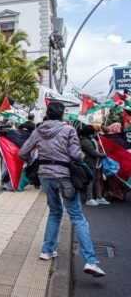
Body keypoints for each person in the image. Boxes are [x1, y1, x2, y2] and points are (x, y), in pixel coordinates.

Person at [19, 101, 106, 277]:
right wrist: (79, 156)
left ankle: (47, 250)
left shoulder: (38, 130)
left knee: (55, 212)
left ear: (48, 113)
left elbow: (22, 152)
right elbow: (76, 154)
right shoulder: (68, 130)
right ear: (62, 114)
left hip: (45, 177)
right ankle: (90, 261)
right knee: (77, 216)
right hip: (65, 176)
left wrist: (35, 161)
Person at [79, 125, 109, 206]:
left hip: (95, 163)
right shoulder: (85, 141)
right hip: (90, 163)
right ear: (90, 132)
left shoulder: (90, 139)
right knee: (91, 181)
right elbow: (93, 152)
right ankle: (89, 198)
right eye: (94, 131)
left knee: (96, 180)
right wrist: (104, 155)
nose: (95, 133)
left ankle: (99, 197)